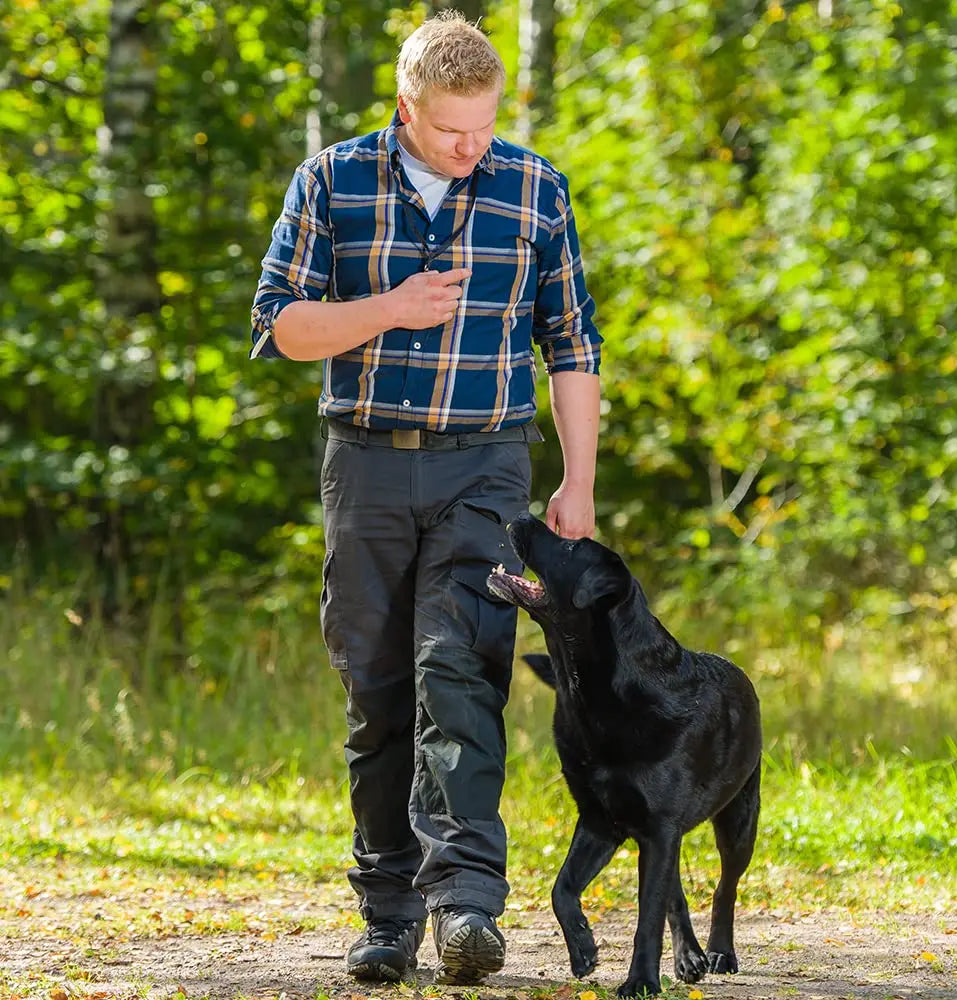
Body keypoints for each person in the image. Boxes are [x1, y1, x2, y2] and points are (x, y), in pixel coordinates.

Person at [249, 10, 602, 987]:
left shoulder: (533, 190)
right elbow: (282, 327)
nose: (470, 146)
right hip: (363, 462)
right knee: (377, 692)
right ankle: (388, 912)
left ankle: (465, 906)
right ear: (404, 108)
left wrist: (578, 481)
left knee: (464, 669)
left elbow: (570, 344)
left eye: (485, 125)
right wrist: (389, 310)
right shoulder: (330, 181)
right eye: (451, 129)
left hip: (485, 462)